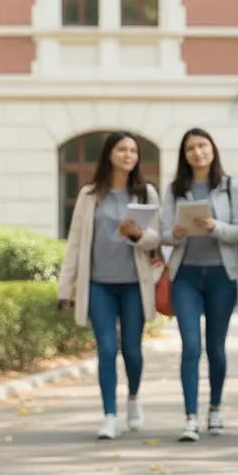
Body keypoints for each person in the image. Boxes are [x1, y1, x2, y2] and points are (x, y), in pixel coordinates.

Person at [58, 132, 160, 440]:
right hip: (99, 285)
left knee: (131, 350)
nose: (129, 155)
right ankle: (109, 416)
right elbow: (76, 242)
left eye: (133, 150)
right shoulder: (91, 195)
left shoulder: (145, 193)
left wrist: (137, 236)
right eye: (122, 149)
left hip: (133, 285)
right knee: (105, 350)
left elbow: (158, 239)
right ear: (110, 154)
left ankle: (133, 399)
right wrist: (65, 287)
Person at [161, 128, 238, 442]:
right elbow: (163, 233)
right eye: (190, 148)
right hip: (185, 275)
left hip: (220, 276)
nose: (197, 152)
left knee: (215, 347)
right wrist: (176, 232)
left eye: (202, 146)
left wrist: (215, 227)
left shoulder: (229, 187)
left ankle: (215, 408)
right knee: (190, 346)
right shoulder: (175, 189)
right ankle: (189, 418)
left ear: (212, 150)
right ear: (184, 156)